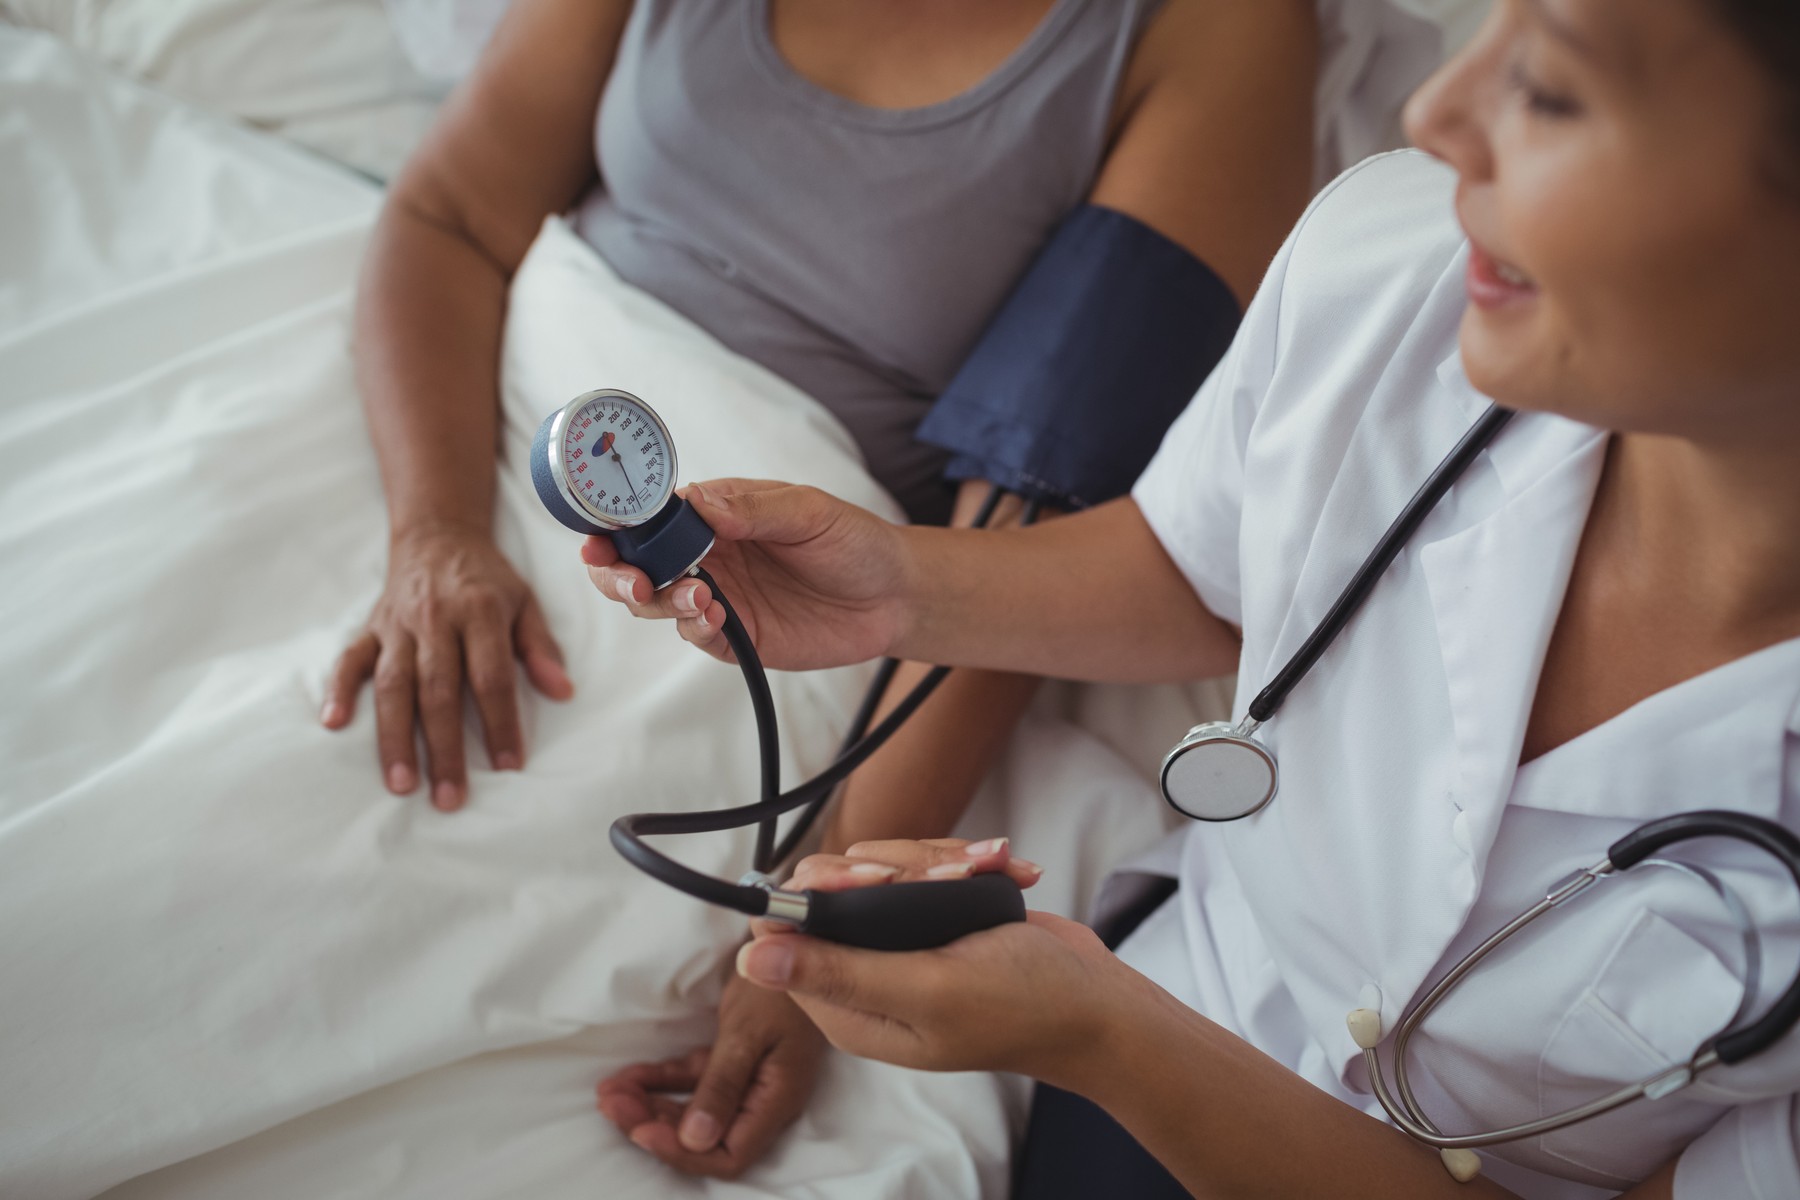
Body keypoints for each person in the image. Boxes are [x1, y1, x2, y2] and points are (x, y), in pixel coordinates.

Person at [583, 0, 1800, 1194]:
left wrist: (1103, 1036)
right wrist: (901, 590)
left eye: (1550, 87)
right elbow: (1200, 568)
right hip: (1181, 1016)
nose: (1434, 114)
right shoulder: (1394, 263)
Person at [324, 0, 1344, 1176]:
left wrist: (822, 889)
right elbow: (449, 213)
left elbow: (1040, 495)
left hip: (765, 582)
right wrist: (437, 533)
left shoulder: (1211, 27)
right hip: (456, 436)